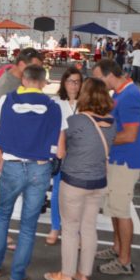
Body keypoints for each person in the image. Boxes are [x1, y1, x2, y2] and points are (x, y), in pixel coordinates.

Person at [0, 65, 65, 280]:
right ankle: (17, 277)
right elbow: (59, 147)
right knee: (28, 226)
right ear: (42, 82)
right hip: (39, 168)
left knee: (3, 216)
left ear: (24, 79)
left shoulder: (7, 100)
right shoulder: (54, 106)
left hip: (12, 165)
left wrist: (0, 154)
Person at [44, 78, 115, 280]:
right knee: (89, 228)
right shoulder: (112, 122)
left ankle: (66, 275)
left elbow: (61, 152)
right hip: (98, 182)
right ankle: (84, 275)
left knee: (70, 229)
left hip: (74, 181)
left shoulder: (75, 121)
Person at [92, 59, 140, 276]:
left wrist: (101, 139)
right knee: (115, 208)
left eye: (98, 78)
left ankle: (125, 261)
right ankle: (117, 248)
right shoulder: (119, 94)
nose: (97, 83)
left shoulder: (130, 96)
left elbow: (130, 135)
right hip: (117, 160)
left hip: (125, 162)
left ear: (109, 75)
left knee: (121, 211)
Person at [46, 67, 83, 245]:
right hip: (60, 153)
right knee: (57, 193)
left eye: (77, 82)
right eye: (70, 81)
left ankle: (77, 231)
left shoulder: (85, 104)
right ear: (64, 83)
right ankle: (55, 227)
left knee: (78, 196)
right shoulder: (55, 102)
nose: (73, 85)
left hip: (80, 155)